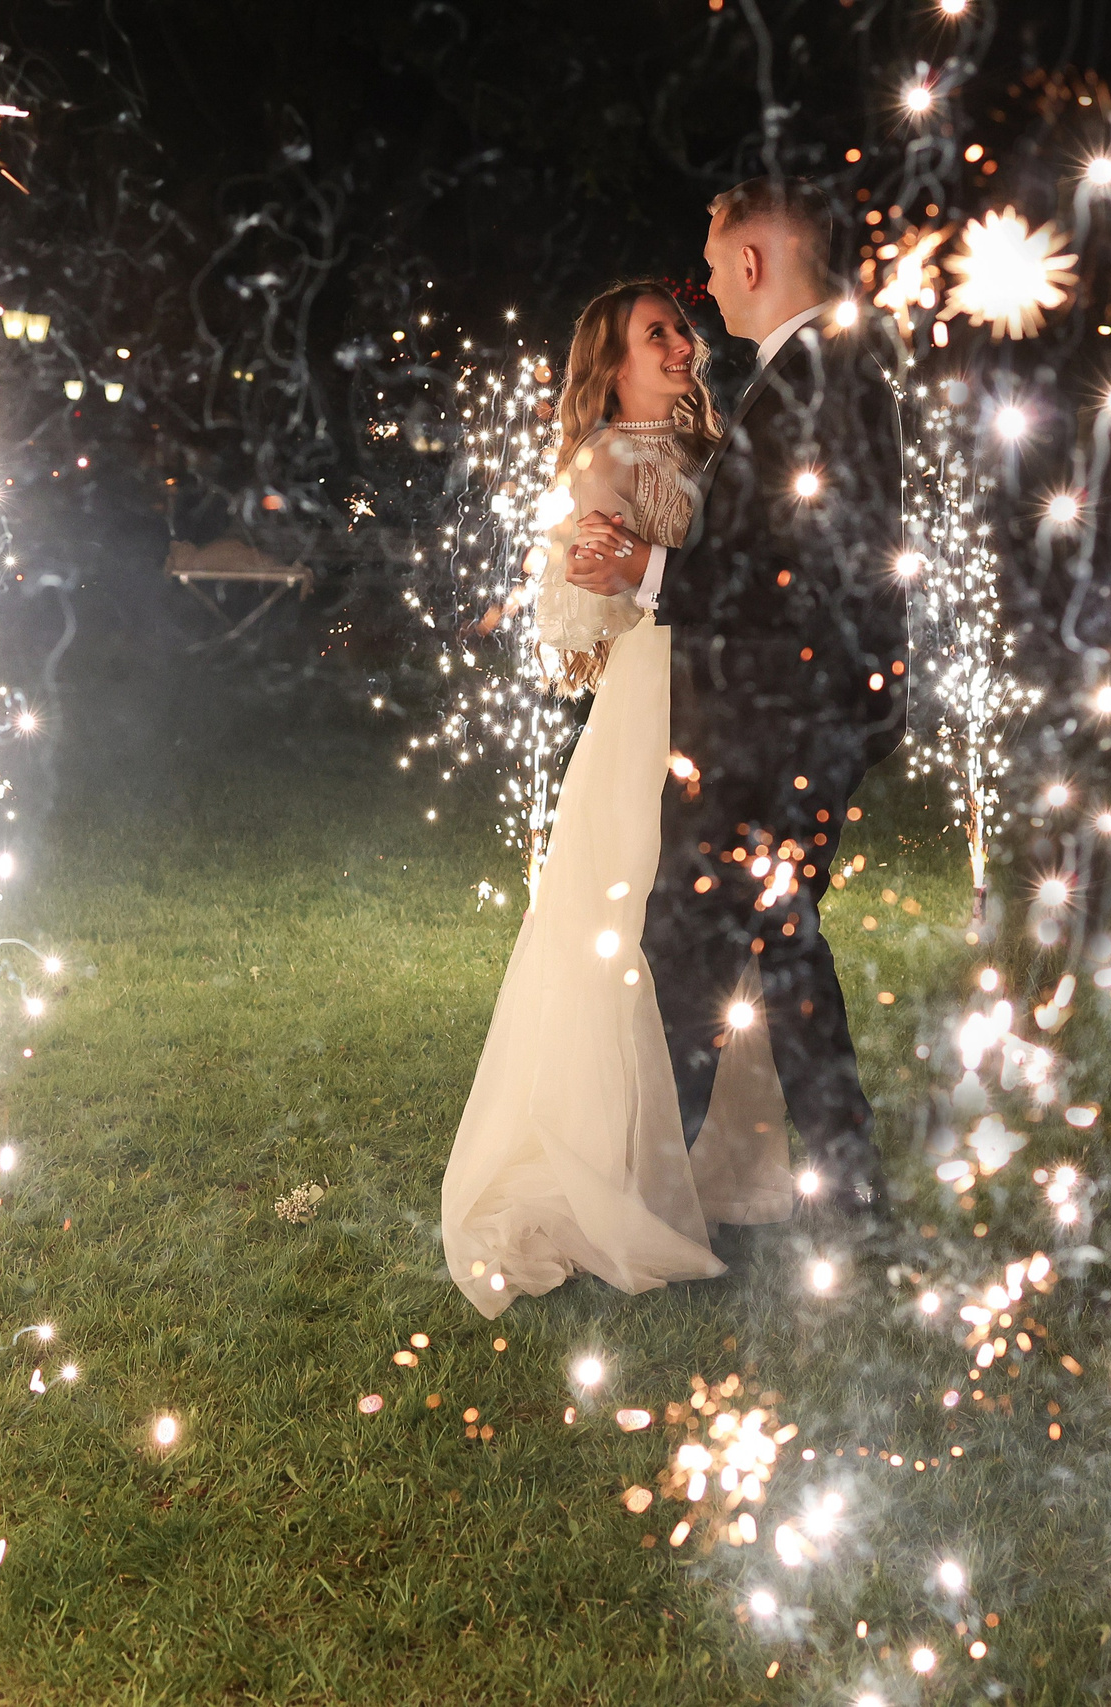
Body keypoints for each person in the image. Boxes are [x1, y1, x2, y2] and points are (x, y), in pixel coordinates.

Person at [440, 281, 796, 1319]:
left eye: (682, 329)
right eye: (659, 335)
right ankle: (613, 1166)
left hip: (716, 704)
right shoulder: (603, 458)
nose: (684, 345)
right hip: (649, 710)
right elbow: (573, 627)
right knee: (631, 921)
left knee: (710, 926)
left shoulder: (705, 452)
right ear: (614, 361)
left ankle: (700, 1160)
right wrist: (597, 576)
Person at [568, 177, 907, 1220]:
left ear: (752, 263)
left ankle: (648, 1194)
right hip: (797, 709)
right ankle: (844, 1187)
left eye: (714, 267)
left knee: (687, 937)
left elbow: (789, 569)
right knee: (775, 940)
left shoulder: (817, 378)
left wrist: (650, 574)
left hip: (778, 715)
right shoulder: (818, 370)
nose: (708, 287)